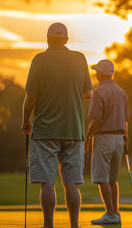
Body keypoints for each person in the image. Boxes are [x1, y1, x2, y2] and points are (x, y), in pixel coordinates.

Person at [21, 22, 92, 228]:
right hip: (74, 129)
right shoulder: (80, 58)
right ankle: (74, 225)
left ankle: (48, 225)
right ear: (67, 40)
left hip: (45, 131)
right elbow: (88, 94)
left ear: (47, 38)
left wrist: (25, 121)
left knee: (47, 182)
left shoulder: (39, 60)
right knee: (71, 183)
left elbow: (31, 97)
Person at [84, 59, 129, 225]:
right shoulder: (121, 92)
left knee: (101, 177)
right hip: (119, 138)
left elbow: (95, 120)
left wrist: (88, 137)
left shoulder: (99, 91)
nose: (95, 74)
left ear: (101, 74)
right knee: (112, 179)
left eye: (97, 71)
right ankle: (114, 213)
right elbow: (125, 120)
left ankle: (110, 213)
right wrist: (126, 138)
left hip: (104, 138)